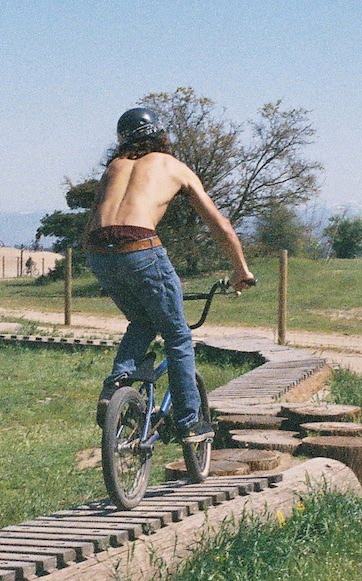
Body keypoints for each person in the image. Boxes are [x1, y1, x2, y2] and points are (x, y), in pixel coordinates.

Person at [84, 108, 255, 437]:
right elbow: (219, 223)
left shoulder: (113, 167)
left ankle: (117, 383)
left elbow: (94, 220)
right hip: (139, 246)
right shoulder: (173, 166)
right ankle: (189, 421)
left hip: (98, 251)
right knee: (178, 337)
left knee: (143, 321)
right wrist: (240, 269)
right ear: (160, 135)